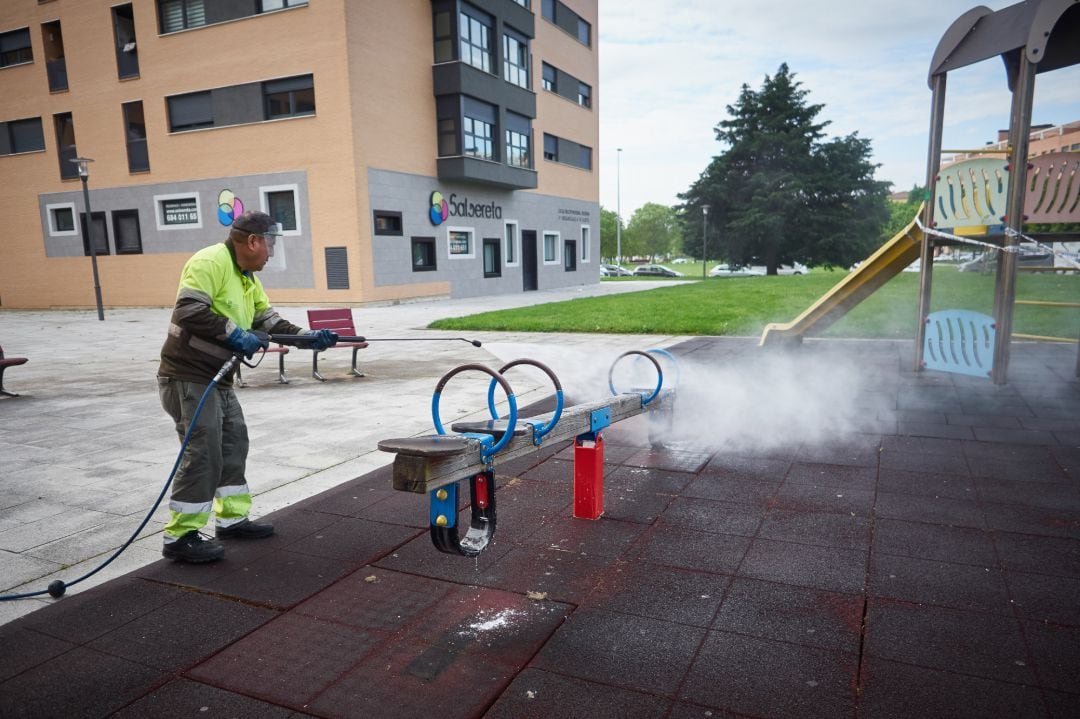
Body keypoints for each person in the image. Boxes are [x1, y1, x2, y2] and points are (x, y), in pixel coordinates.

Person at [157, 210, 337, 563]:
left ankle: (232, 519)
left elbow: (268, 320)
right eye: (270, 244)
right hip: (187, 376)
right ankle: (180, 535)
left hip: (217, 378)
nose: (271, 252)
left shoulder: (247, 278)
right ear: (253, 241)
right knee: (203, 451)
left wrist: (308, 338)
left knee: (233, 443)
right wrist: (237, 335)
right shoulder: (210, 261)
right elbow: (188, 311)